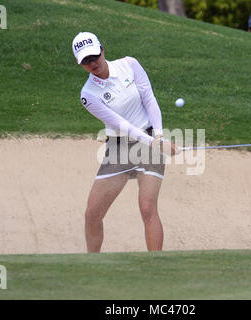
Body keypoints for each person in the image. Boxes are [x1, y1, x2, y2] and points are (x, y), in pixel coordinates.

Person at [72, 32, 179, 253]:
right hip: (119, 147)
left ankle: (156, 266)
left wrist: (158, 136)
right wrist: (154, 143)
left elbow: (149, 98)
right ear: (80, 64)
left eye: (94, 56)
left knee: (147, 207)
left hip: (149, 135)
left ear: (102, 49)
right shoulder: (88, 95)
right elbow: (121, 125)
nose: (92, 63)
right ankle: (93, 266)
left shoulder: (129, 64)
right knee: (92, 214)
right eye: (86, 61)